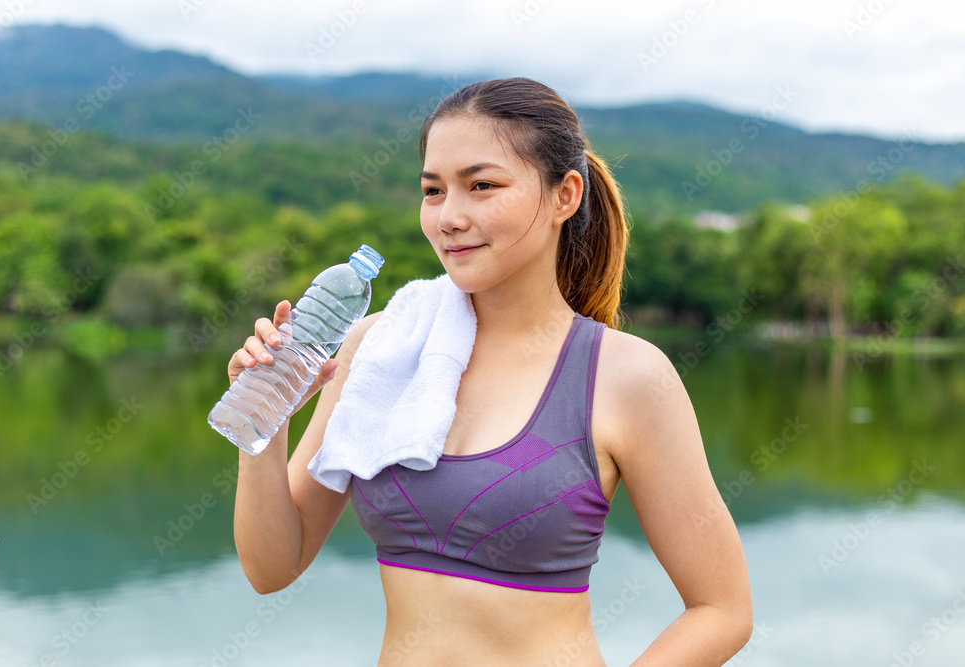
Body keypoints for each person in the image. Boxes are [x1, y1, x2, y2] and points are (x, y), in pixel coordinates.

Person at [228, 78, 752, 666]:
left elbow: (722, 609)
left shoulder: (626, 377)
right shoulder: (381, 348)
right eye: (433, 191)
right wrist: (261, 425)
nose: (449, 216)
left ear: (564, 195)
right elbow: (273, 567)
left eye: (482, 186)